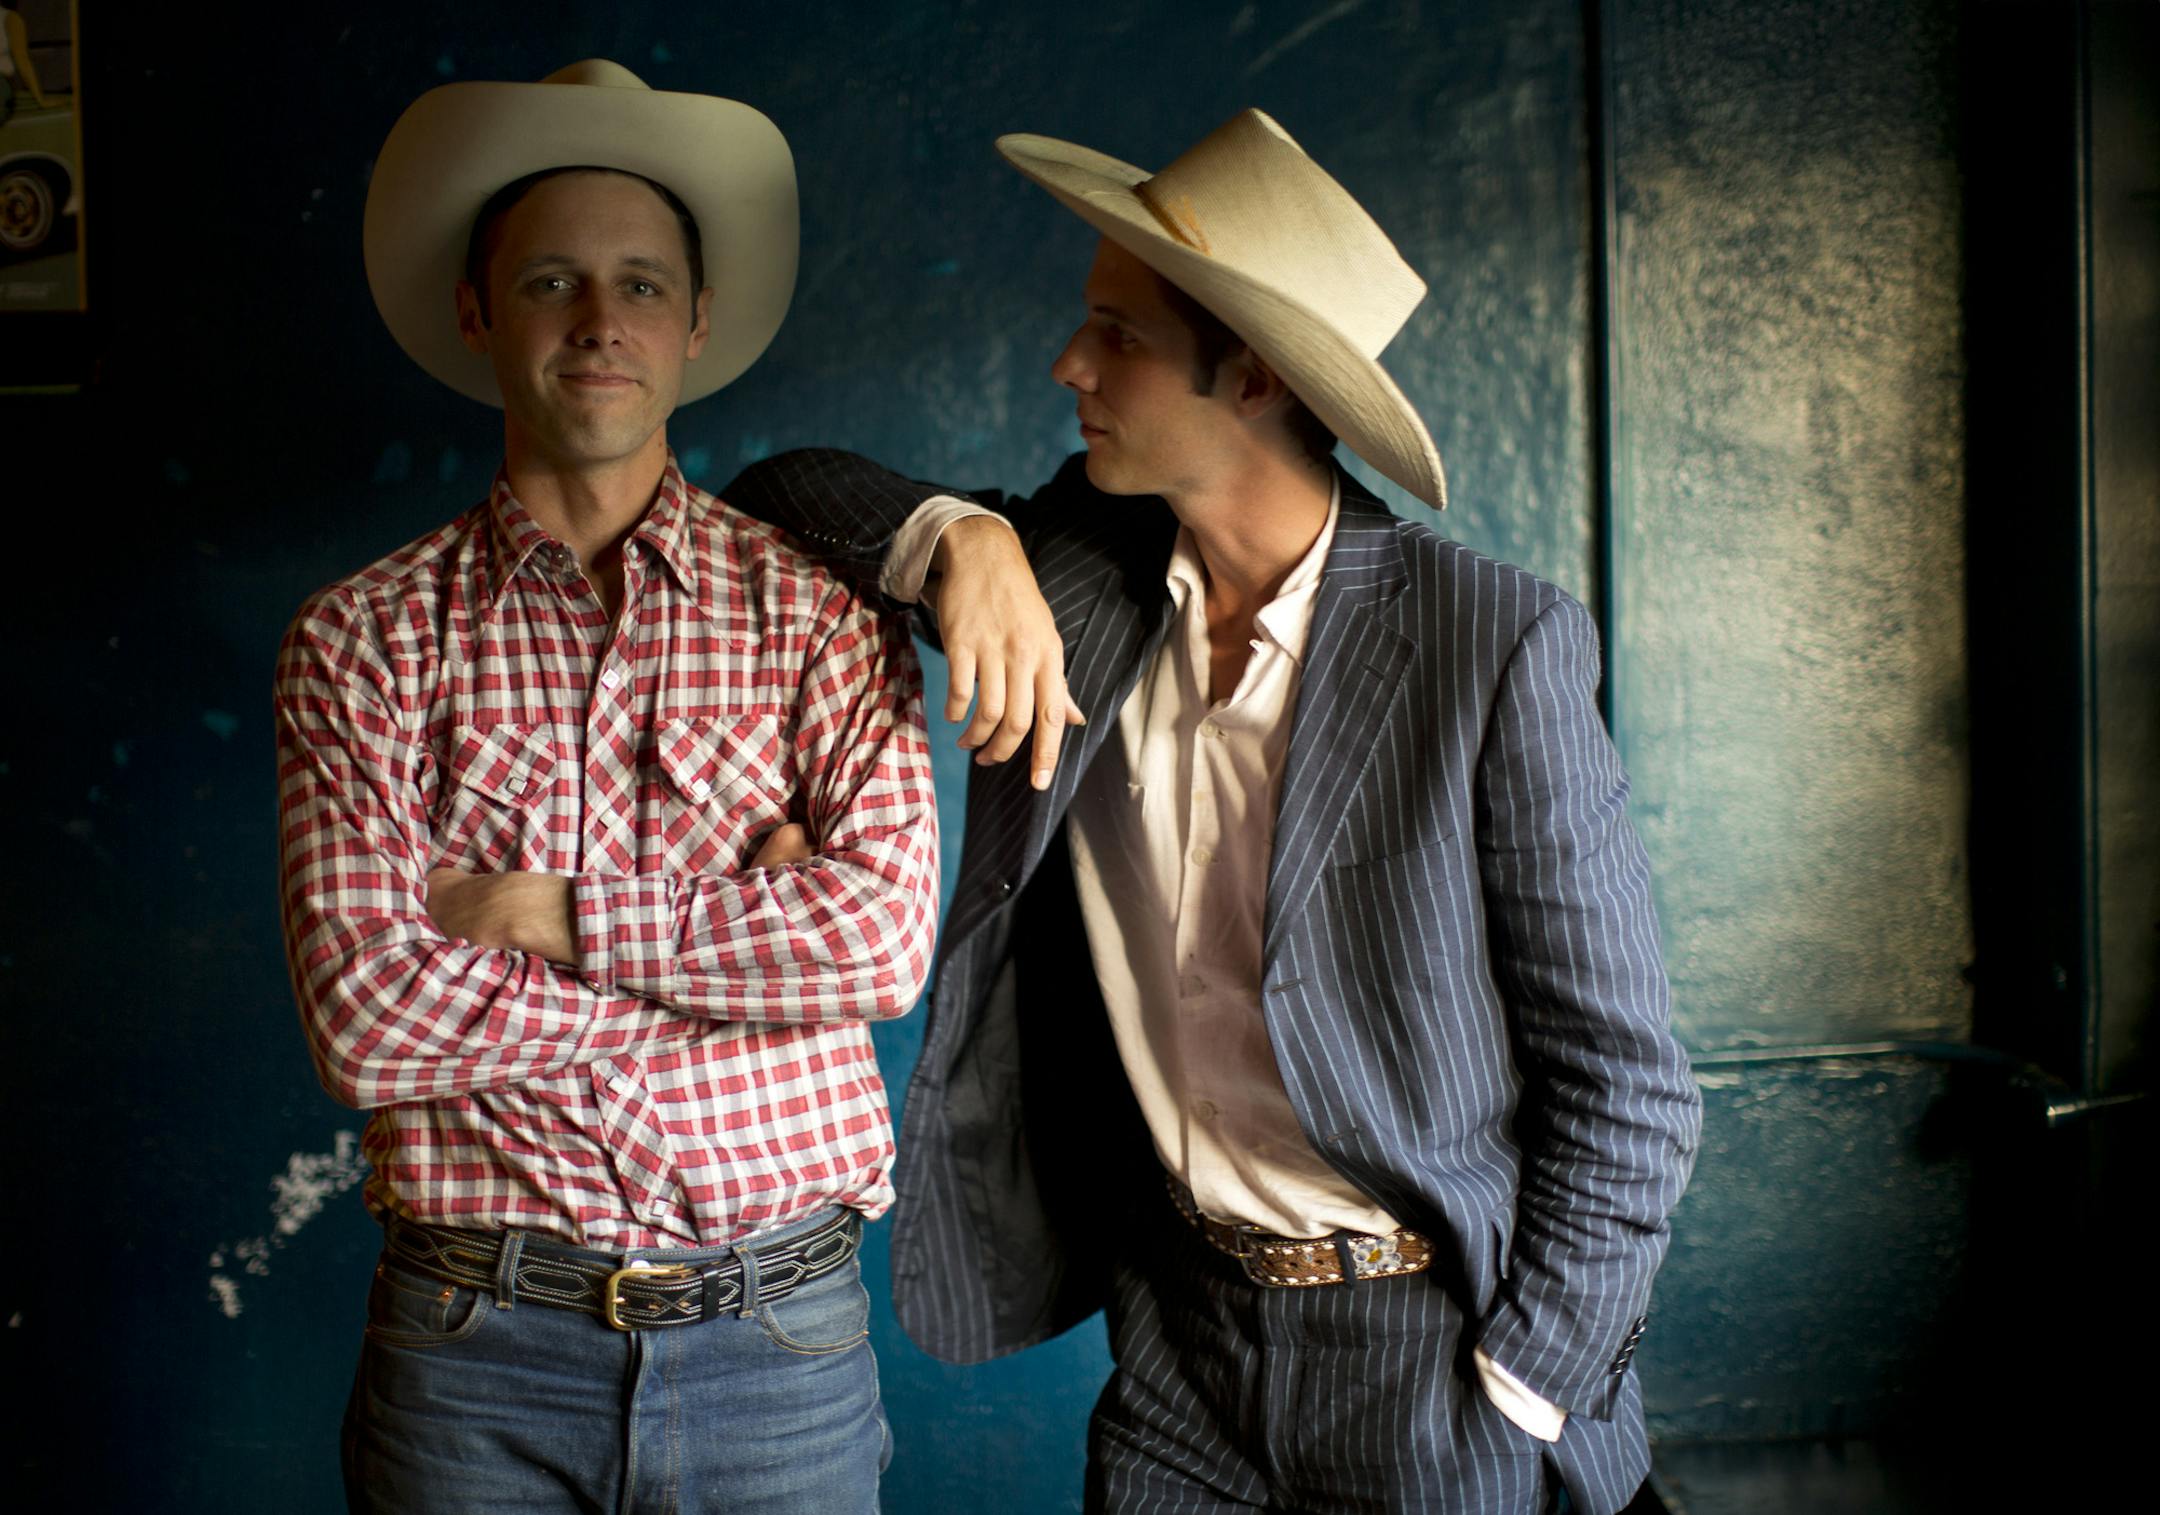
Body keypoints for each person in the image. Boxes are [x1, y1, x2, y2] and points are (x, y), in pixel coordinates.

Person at [725, 109, 1701, 1513]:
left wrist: (1529, 1382)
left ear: (1248, 373)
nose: (1071, 363)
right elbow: (775, 497)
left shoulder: (1489, 640)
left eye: (1114, 333)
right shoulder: (1080, 574)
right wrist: (968, 541)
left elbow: (1628, 1080)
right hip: (1179, 1346)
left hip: (1433, 1366)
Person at [273, 61, 938, 1514]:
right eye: (552, 281)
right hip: (473, 1357)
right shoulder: (362, 640)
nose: (598, 322)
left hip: (780, 1349)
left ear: (695, 322)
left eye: (641, 285)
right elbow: (367, 1019)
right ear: (478, 309)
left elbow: (879, 949)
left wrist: (538, 914)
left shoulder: (821, 618)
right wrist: (747, 949)